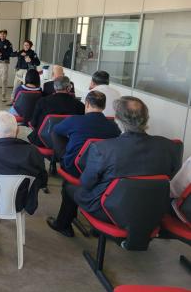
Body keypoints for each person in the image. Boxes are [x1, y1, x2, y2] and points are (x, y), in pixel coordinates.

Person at [47, 96, 181, 237]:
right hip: (151, 212)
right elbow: (171, 180)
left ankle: (63, 225)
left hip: (109, 211)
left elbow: (86, 183)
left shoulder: (102, 148)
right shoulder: (169, 147)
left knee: (69, 187)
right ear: (146, 118)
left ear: (117, 119)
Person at [53, 91, 121, 177]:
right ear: (104, 106)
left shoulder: (74, 120)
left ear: (87, 104)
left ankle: (61, 159)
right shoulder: (114, 126)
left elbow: (56, 129)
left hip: (75, 168)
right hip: (104, 170)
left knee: (56, 133)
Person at [28, 76, 84, 146]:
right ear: (69, 88)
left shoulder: (42, 102)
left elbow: (33, 123)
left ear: (54, 88)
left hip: (43, 141)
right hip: (68, 143)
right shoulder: (80, 106)